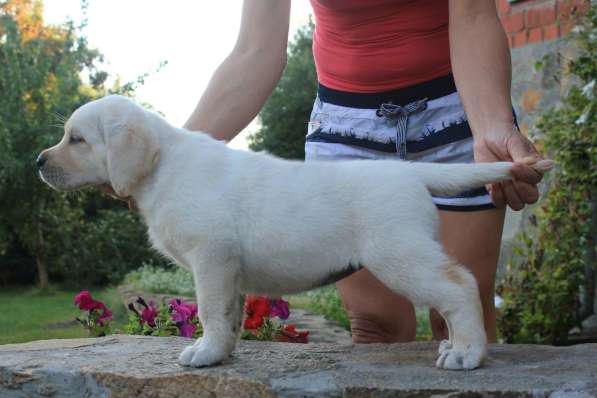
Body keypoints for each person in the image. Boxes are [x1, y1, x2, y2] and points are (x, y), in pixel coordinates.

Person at [183, 0, 545, 344]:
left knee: (458, 318)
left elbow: (474, 15)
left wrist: (491, 127)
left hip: (455, 113)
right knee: (375, 326)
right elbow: (255, 50)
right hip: (346, 129)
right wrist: (172, 157)